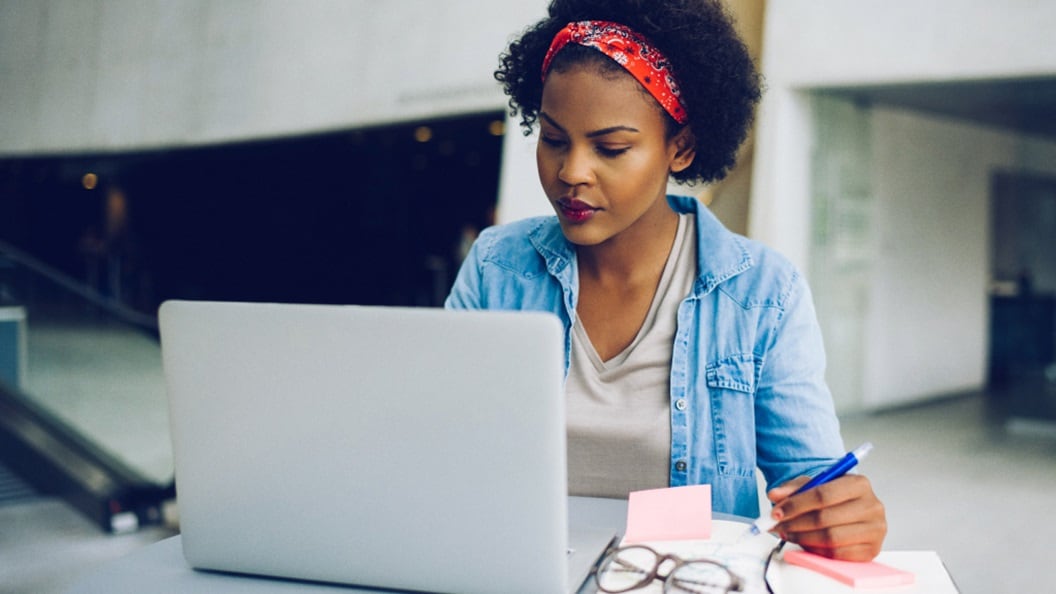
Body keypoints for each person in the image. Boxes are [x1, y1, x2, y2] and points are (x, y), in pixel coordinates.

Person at [445, 0, 886, 561]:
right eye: (554, 139)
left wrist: (840, 518)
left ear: (680, 148)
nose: (571, 172)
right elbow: (443, 443)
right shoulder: (497, 266)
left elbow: (812, 490)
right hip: (513, 568)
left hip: (679, 576)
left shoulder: (760, 294)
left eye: (611, 148)